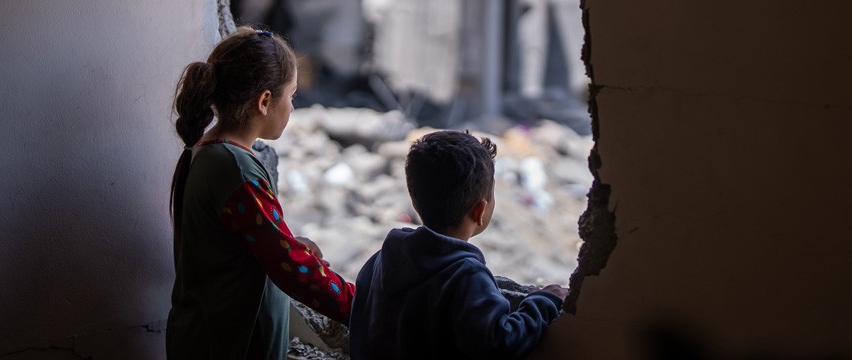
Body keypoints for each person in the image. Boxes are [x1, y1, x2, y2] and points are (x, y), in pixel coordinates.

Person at [165, 27, 355, 360]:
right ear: (265, 101)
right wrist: (362, 305)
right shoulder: (234, 168)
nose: (292, 107)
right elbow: (289, 266)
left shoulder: (209, 150)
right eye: (291, 95)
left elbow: (246, 243)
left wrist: (293, 245)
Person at [348, 130, 569, 359]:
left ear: (414, 201)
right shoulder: (466, 276)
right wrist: (543, 301)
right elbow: (500, 343)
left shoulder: (380, 261)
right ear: (479, 211)